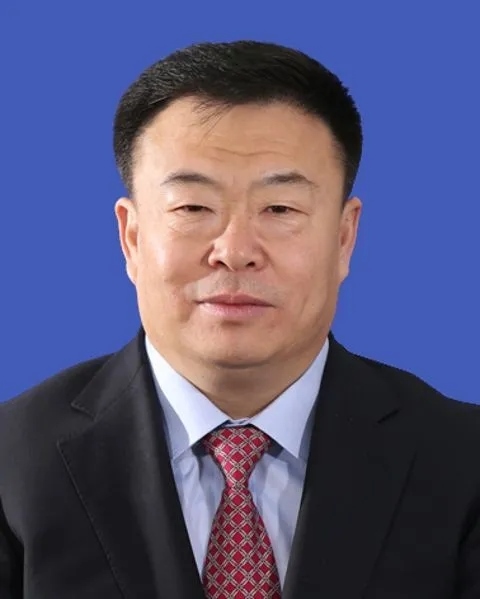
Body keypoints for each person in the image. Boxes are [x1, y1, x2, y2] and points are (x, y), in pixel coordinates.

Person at [1, 39, 479, 599]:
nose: (234, 251)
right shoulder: (13, 464)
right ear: (131, 237)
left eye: (280, 209)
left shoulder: (461, 464)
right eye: (192, 208)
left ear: (344, 237)